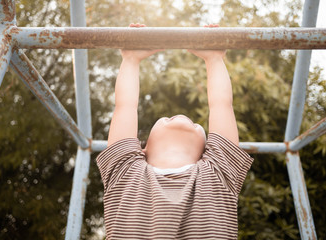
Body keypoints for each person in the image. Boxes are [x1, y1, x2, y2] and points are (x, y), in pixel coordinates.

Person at [96, 23, 254, 239]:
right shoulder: (127, 171)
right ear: (143, 150)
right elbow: (125, 106)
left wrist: (215, 59)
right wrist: (130, 58)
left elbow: (222, 105)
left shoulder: (217, 173)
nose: (184, 117)